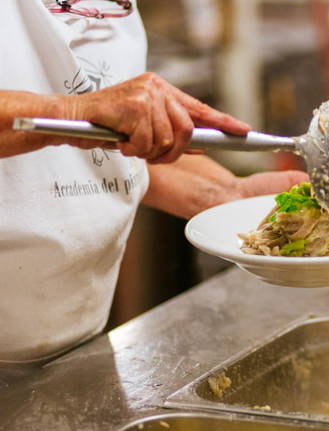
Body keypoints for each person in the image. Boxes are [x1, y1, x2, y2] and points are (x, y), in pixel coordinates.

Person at [0, 1, 307, 368]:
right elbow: (76, 117)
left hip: (76, 344)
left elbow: (99, 145)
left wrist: (229, 195)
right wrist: (71, 112)